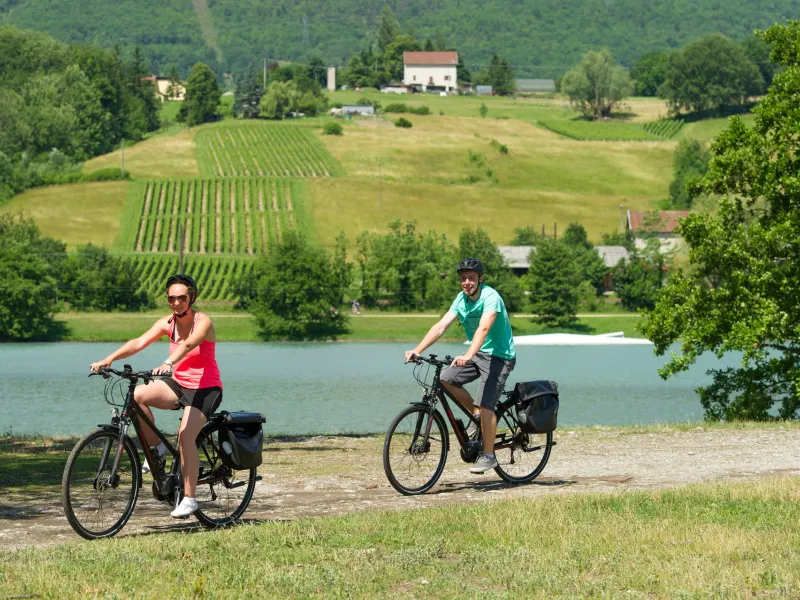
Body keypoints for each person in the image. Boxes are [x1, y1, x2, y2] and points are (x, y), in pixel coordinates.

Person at [90, 274, 223, 519]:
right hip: (179, 384)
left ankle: (190, 498)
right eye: (171, 298)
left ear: (191, 297)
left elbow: (189, 344)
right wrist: (108, 359)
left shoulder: (202, 321)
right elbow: (139, 341)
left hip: (205, 389)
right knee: (138, 395)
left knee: (186, 436)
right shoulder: (167, 323)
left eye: (182, 297)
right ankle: (158, 448)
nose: (176, 303)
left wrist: (167, 362)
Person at [405, 258, 516, 474]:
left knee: (487, 404)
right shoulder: (460, 299)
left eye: (471, 278)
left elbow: (483, 329)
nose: (467, 282)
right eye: (463, 278)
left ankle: (489, 455)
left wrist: (468, 354)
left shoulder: (490, 297)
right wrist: (418, 350)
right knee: (446, 379)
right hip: (477, 353)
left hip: (500, 356)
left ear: (480, 279)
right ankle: (476, 415)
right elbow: (441, 327)